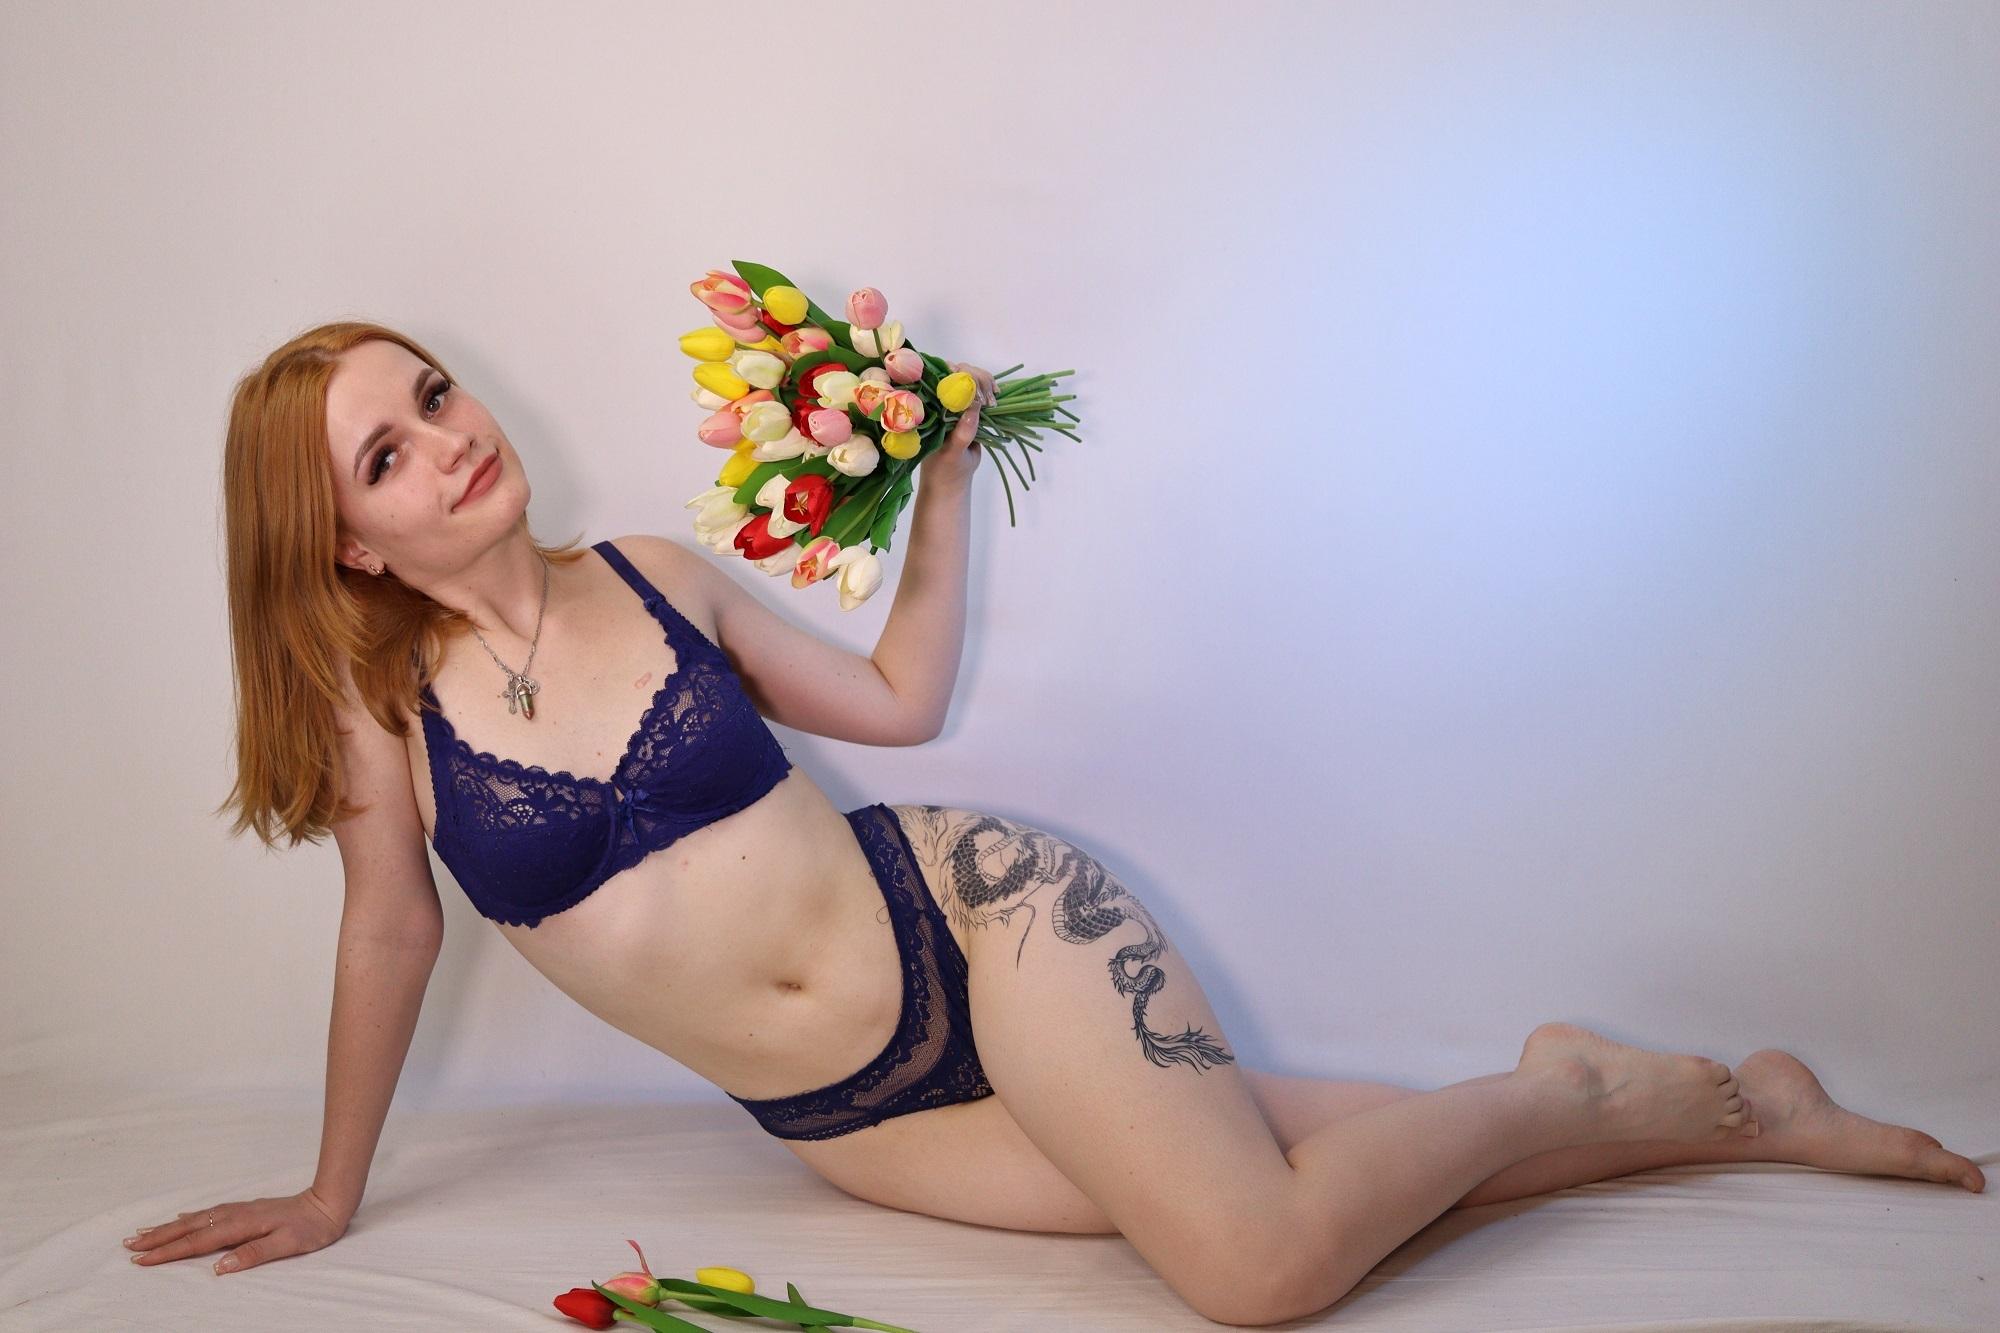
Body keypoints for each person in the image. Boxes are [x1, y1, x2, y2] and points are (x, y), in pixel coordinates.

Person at [122, 321, 1985, 1326]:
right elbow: (391, 928)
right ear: (346, 543)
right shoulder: (387, 715)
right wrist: (334, 1190)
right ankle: (1749, 1108)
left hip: (984, 923)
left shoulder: (655, 577)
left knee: (1255, 1266)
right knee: (1321, 1179)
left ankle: (1572, 1082)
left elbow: (898, 706)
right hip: (856, 1115)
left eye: (432, 392)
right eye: (389, 454)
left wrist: (937, 492)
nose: (449, 436)